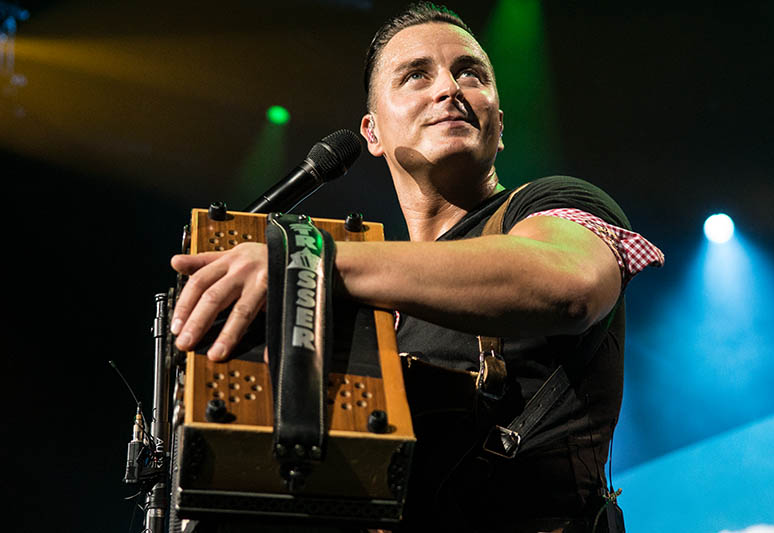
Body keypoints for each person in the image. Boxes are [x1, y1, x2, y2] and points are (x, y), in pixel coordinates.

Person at [169, 3, 663, 532]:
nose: (449, 88)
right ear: (372, 132)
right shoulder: (375, 292)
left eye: (469, 73)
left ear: (500, 122)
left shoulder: (552, 203)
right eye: (415, 76)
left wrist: (312, 261)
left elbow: (571, 284)